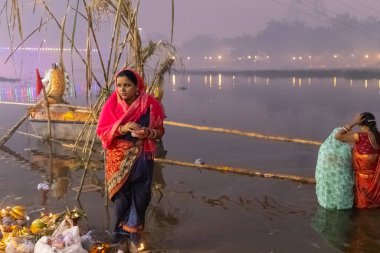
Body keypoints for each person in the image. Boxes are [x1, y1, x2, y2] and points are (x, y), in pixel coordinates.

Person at [97, 68, 165, 253]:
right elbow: (102, 131)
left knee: (141, 197)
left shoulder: (150, 104)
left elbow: (159, 130)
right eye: (119, 85)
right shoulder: (111, 105)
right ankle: (120, 240)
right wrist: (122, 128)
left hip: (143, 156)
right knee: (122, 199)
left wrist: (148, 132)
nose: (122, 89)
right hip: (118, 158)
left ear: (137, 86)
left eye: (127, 85)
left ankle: (134, 238)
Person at [335, 112, 380, 208]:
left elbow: (337, 136)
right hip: (377, 183)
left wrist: (354, 122)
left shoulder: (360, 136)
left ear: (361, 123)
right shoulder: (378, 136)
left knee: (361, 213)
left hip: (363, 184)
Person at [315, 127, 354, 209]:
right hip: (341, 183)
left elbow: (320, 168)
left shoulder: (324, 147)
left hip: (326, 182)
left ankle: (328, 205)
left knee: (327, 197)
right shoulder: (346, 149)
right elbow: (352, 165)